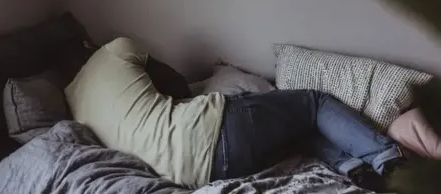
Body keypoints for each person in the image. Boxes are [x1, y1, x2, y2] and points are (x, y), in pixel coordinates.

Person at [65, 38, 405, 192]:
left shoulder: (71, 101)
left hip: (198, 175)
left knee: (290, 130)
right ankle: (389, 159)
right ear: (88, 48)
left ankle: (351, 167)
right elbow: (180, 85)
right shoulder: (116, 49)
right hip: (213, 131)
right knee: (313, 103)